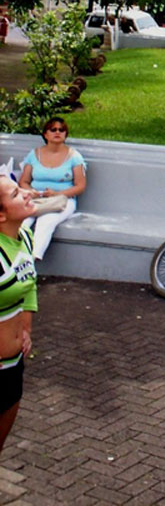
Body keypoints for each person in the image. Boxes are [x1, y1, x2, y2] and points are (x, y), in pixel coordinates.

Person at [0, 175, 37, 453]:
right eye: (15, 194)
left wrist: (26, 329)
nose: (26, 193)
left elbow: (30, 286)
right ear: (2, 216)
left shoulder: (24, 236)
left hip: (14, 365)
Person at [18, 118, 86, 261]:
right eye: (53, 129)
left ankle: (30, 261)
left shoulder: (74, 157)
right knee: (22, 221)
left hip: (62, 200)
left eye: (61, 130)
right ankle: (13, 257)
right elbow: (24, 181)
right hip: (35, 198)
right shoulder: (34, 154)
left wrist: (57, 193)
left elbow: (80, 186)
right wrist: (30, 191)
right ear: (45, 134)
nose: (57, 132)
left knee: (46, 221)